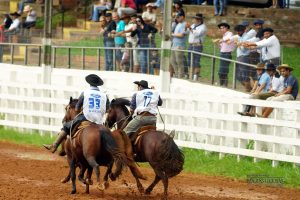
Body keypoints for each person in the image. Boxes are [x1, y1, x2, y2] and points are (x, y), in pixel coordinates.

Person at [43, 74, 109, 153]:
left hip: (87, 117)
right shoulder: (104, 95)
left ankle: (54, 145)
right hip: (100, 120)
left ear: (89, 83)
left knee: (66, 126)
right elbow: (107, 109)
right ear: (98, 84)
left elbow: (77, 108)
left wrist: (82, 109)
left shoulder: (85, 93)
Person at [213, 22, 235, 87]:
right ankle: (222, 84)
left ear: (227, 28)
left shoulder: (229, 34)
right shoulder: (224, 36)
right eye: (220, 28)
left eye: (222, 28)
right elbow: (221, 47)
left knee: (223, 70)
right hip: (223, 53)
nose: (221, 29)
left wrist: (218, 40)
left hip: (227, 54)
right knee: (222, 70)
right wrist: (217, 43)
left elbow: (227, 39)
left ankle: (223, 85)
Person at [186, 13, 207, 81]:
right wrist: (187, 27)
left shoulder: (203, 27)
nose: (193, 20)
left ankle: (195, 76)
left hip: (197, 45)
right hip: (191, 45)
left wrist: (190, 28)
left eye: (195, 18)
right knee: (189, 61)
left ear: (199, 20)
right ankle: (190, 75)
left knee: (196, 61)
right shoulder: (193, 25)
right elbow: (187, 32)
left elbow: (197, 34)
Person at [170, 12, 187, 78]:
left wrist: (173, 34)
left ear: (182, 17)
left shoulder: (184, 24)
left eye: (178, 17)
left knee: (179, 61)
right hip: (174, 44)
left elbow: (182, 34)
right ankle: (177, 74)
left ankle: (180, 75)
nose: (176, 18)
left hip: (179, 45)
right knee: (172, 60)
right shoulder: (178, 24)